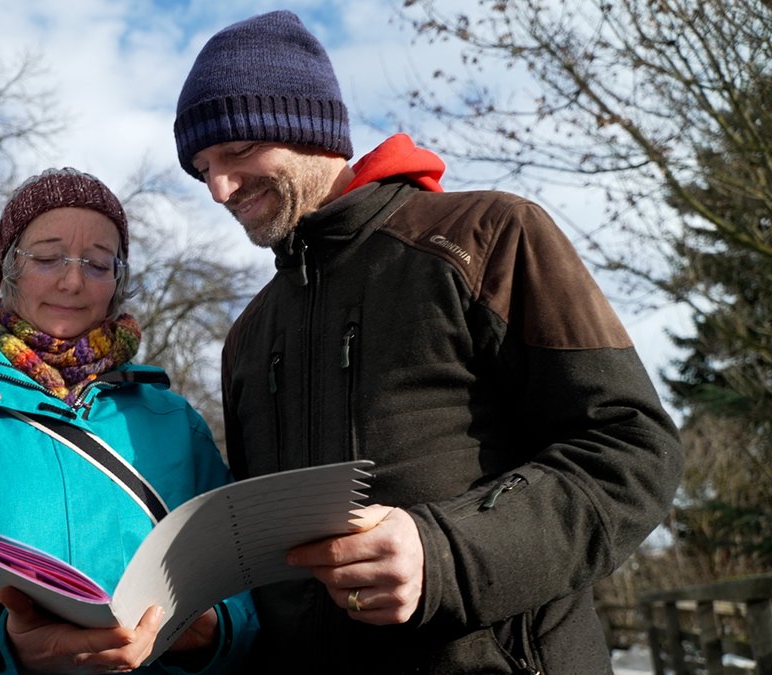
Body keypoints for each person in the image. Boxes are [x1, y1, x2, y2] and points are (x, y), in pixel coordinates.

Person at [173, 10, 683, 674]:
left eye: (237, 153)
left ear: (309, 127)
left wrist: (440, 552)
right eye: (202, 167)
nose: (219, 188)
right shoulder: (245, 338)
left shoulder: (489, 237)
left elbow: (633, 447)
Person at [0, 168, 256, 674]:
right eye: (47, 257)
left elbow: (242, 575)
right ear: (7, 268)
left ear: (117, 282)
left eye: (98, 263)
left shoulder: (174, 423)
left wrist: (214, 632)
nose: (73, 279)